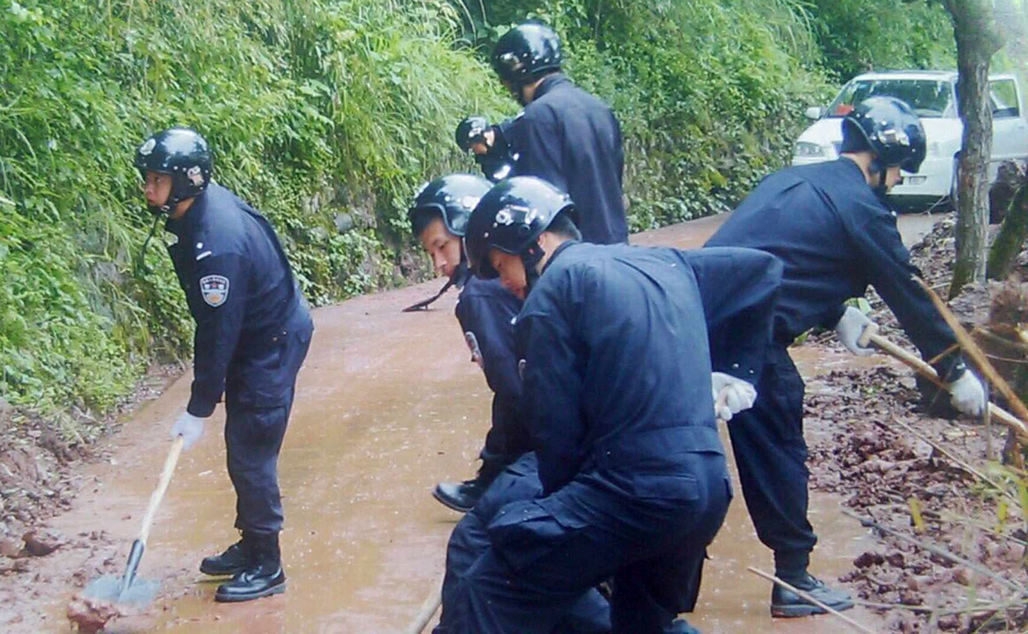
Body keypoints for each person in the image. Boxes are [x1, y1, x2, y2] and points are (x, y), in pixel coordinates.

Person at [440, 176, 784, 633]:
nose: (504, 282)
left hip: (633, 494)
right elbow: (761, 272)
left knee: (490, 583)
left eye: (502, 265)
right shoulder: (660, 261)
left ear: (536, 241)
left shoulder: (549, 300)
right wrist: (736, 371)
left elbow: (557, 446)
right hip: (705, 491)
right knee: (636, 625)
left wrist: (550, 522)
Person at [705, 96, 988, 617]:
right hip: (746, 335)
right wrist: (955, 369)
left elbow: (783, 255)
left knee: (674, 446)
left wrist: (835, 311)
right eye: (901, 171)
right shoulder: (863, 208)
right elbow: (910, 293)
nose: (900, 183)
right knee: (777, 442)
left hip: (689, 312)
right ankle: (793, 579)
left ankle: (629, 576)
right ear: (880, 162)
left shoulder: (794, 181)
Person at [135, 127, 314, 603]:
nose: (148, 189)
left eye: (157, 180)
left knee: (250, 446)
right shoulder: (193, 211)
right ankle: (251, 543)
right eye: (147, 178)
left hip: (269, 341)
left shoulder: (219, 244)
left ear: (188, 181)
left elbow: (217, 332)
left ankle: (268, 564)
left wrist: (198, 407)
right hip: (254, 331)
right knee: (244, 444)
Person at [408, 174, 532, 512]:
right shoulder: (525, 270)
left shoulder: (479, 295)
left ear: (472, 231)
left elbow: (514, 393)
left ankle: (498, 481)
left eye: (442, 246)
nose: (439, 265)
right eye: (431, 252)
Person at [474, 22, 628, 244]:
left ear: (516, 72)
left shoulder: (537, 117)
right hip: (616, 245)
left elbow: (543, 198)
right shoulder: (599, 108)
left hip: (576, 255)